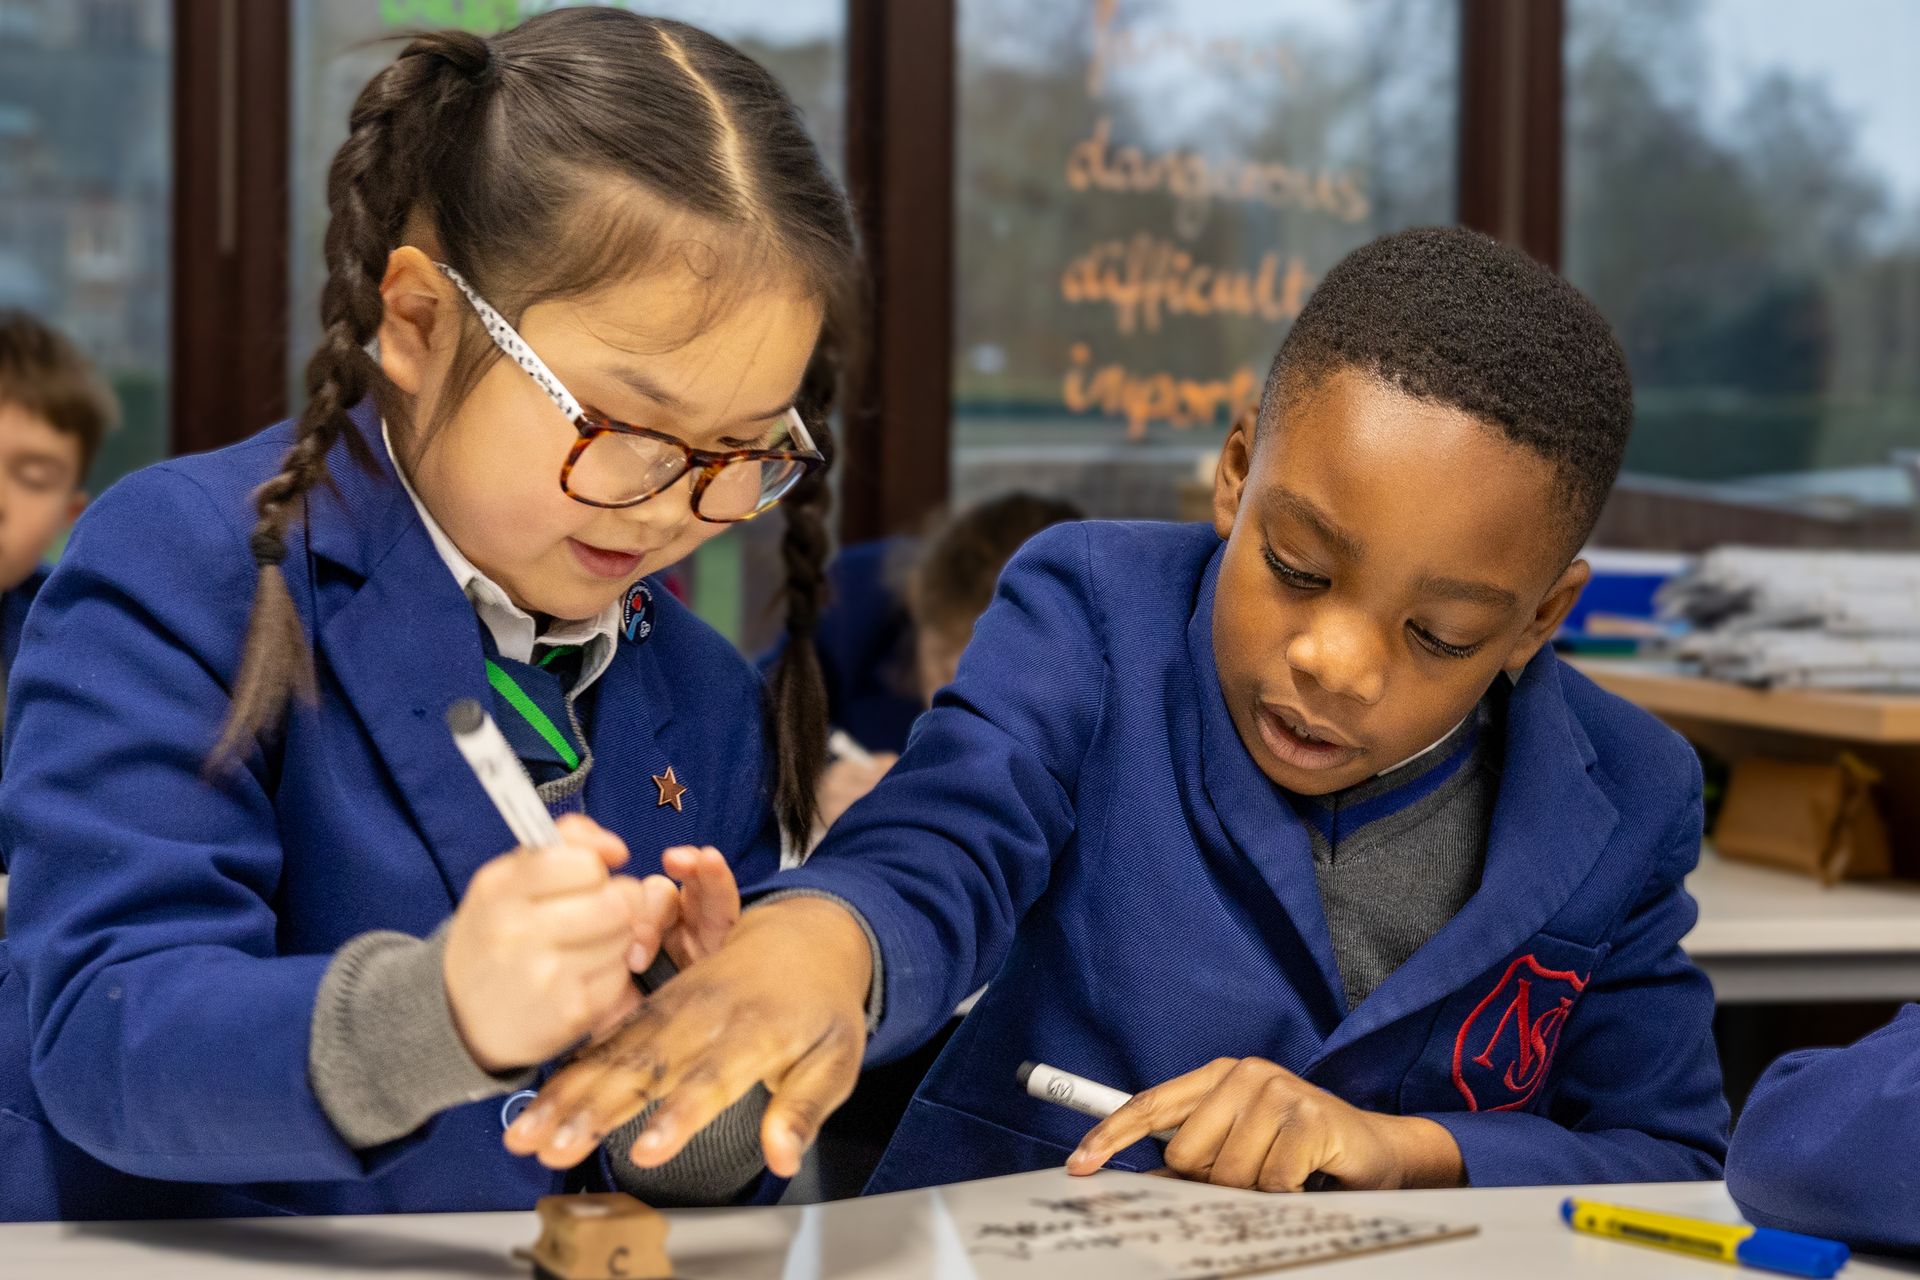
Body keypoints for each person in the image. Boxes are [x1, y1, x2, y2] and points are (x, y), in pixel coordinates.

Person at [504, 226, 1729, 1196]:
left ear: (1536, 620)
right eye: (1298, 566)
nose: (1336, 661)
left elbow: (1671, 1158)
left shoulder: (1627, 795)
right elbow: (946, 838)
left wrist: (1401, 1144)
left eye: (1440, 634)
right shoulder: (1094, 614)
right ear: (1237, 472)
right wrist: (826, 939)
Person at [0, 8, 857, 1220]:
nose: (674, 506)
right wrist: (441, 1013)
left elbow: (650, 1177)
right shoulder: (190, 565)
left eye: (741, 452)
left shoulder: (704, 691)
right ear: (418, 323)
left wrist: (709, 1069)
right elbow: (103, 1030)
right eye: (622, 430)